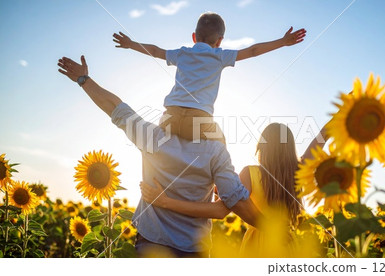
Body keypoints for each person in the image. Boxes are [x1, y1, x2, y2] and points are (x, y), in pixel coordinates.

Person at [57, 55, 261, 257]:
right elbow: (238, 202)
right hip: (194, 250)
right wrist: (274, 229)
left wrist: (84, 80)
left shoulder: (152, 137)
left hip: (151, 246)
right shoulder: (216, 150)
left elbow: (115, 108)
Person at [113, 12, 306, 144]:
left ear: (194, 37)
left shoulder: (182, 54)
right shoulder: (219, 55)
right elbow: (253, 51)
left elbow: (155, 51)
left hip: (170, 117)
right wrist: (282, 42)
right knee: (220, 147)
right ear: (220, 40)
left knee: (160, 148)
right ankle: (219, 188)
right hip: (199, 120)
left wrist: (131, 44)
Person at [140, 122, 330, 256]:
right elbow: (321, 138)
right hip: (288, 244)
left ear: (262, 147)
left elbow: (220, 210)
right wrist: (343, 114)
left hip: (257, 246)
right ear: (290, 148)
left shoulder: (251, 173)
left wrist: (166, 201)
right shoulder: (298, 172)